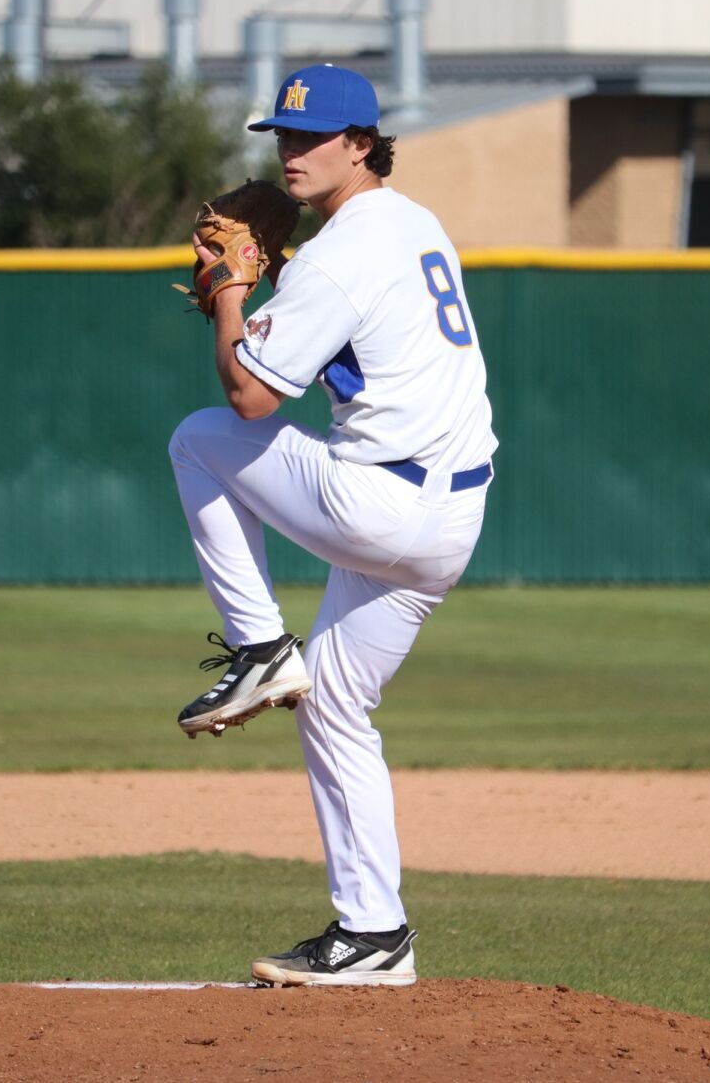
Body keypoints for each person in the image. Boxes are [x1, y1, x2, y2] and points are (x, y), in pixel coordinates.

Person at [167, 63, 496, 987]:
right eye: (284, 136)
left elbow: (250, 396)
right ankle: (374, 934)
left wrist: (231, 284)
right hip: (450, 517)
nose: (293, 153)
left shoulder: (341, 253)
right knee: (337, 705)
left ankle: (257, 643)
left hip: (382, 506)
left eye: (314, 139)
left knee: (199, 438)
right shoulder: (413, 223)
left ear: (362, 144)